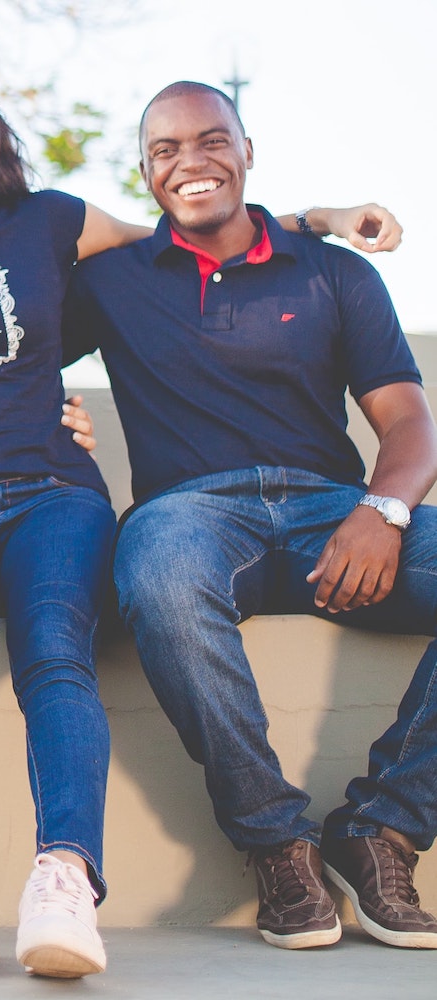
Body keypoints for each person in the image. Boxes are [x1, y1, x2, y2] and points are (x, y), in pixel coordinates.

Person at [0, 42, 398, 980]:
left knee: (54, 641)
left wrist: (320, 218)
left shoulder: (50, 223)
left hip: (55, 492)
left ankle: (63, 877)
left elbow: (191, 235)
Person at [64, 81, 437, 953]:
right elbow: (8, 303)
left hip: (334, 515)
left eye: (210, 141)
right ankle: (277, 844)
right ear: (146, 173)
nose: (190, 163)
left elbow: (409, 422)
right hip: (189, 517)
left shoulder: (335, 271)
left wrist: (383, 510)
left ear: (247, 150)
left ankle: (382, 828)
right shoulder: (111, 280)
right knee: (154, 572)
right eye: (165, 151)